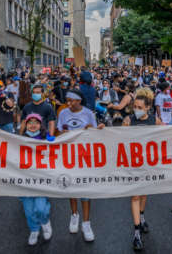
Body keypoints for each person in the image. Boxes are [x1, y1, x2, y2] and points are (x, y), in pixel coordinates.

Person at [57, 89, 104, 242]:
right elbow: (58, 133)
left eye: (71, 100)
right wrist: (63, 133)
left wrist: (94, 130)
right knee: (71, 187)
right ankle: (74, 215)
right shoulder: (63, 113)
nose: (68, 103)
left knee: (85, 189)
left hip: (85, 157)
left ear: (79, 101)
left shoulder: (89, 113)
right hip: (69, 155)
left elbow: (95, 133)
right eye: (67, 100)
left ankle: (86, 222)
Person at [122, 91, 157, 251]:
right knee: (135, 195)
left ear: (148, 107)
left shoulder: (154, 120)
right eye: (134, 106)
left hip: (149, 164)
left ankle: (142, 217)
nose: (136, 109)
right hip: (133, 165)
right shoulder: (128, 120)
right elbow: (118, 140)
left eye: (139, 107)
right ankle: (136, 232)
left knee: (144, 193)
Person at [20, 113, 52, 246]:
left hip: (41, 181)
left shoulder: (48, 138)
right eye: (30, 122)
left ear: (41, 125)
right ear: (25, 124)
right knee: (29, 211)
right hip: (25, 181)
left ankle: (45, 222)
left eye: (36, 122)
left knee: (40, 209)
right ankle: (34, 230)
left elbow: (67, 143)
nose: (33, 125)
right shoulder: (16, 139)